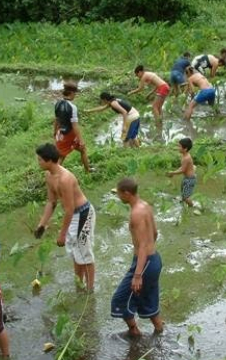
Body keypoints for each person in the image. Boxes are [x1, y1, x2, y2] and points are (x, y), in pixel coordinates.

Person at [35, 143, 96, 291]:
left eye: (40, 160)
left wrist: (62, 234)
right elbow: (51, 202)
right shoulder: (49, 176)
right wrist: (42, 224)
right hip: (73, 215)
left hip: (82, 214)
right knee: (76, 253)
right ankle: (78, 284)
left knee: (84, 253)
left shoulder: (65, 179)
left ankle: (90, 289)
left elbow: (69, 209)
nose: (38, 162)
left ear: (49, 160)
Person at [111, 178, 163, 336]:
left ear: (126, 193)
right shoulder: (145, 206)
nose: (118, 197)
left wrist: (138, 275)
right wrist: (149, 250)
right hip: (154, 260)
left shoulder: (136, 214)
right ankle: (159, 330)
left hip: (145, 263)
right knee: (148, 297)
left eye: (119, 193)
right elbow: (154, 233)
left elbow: (142, 246)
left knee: (119, 299)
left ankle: (134, 332)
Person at [54, 81, 92, 173]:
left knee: (81, 150)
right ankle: (54, 174)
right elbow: (75, 125)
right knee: (62, 156)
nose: (75, 95)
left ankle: (88, 170)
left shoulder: (57, 103)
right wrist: (81, 140)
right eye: (75, 93)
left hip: (60, 133)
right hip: (69, 135)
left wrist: (55, 132)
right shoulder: (72, 107)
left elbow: (57, 119)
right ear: (71, 93)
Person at [166, 138, 196, 207]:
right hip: (186, 178)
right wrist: (173, 172)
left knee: (186, 196)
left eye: (179, 146)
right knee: (183, 192)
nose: (178, 148)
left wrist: (172, 173)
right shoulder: (184, 156)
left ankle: (192, 206)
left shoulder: (186, 158)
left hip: (190, 179)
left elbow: (182, 170)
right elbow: (182, 167)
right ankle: (183, 202)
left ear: (185, 149)